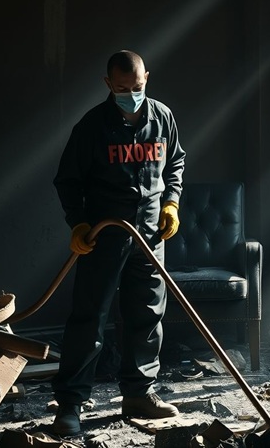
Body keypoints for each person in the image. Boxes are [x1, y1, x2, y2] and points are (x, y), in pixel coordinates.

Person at [50, 50, 187, 436]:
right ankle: (71, 405)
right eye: (123, 88)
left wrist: (172, 202)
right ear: (108, 84)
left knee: (147, 314)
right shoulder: (91, 127)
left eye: (138, 86)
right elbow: (68, 180)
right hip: (104, 235)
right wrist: (77, 225)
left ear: (148, 78)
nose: (131, 93)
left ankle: (139, 394)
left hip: (150, 234)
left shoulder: (163, 118)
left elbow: (175, 160)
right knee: (89, 318)